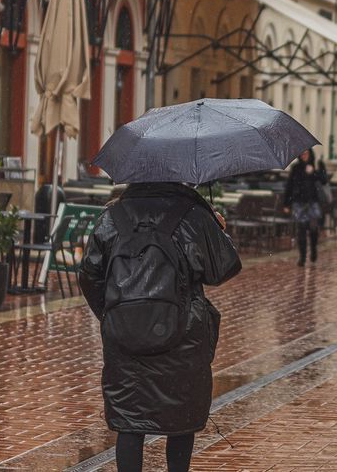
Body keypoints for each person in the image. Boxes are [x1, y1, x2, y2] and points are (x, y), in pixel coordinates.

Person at [80, 182, 242, 472]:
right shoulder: (193, 215)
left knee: (130, 421)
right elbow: (223, 269)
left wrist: (111, 314)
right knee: (181, 420)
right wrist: (217, 231)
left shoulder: (112, 216)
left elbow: (89, 274)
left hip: (124, 337)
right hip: (183, 336)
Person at [284, 148, 329, 266]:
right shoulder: (296, 168)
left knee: (313, 229)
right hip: (299, 203)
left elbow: (324, 180)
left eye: (306, 153)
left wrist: (314, 172)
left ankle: (313, 249)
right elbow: (289, 186)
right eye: (302, 154)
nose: (304, 156)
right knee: (302, 229)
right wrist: (286, 203)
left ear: (310, 154)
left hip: (312, 203)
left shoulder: (317, 165)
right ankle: (302, 257)